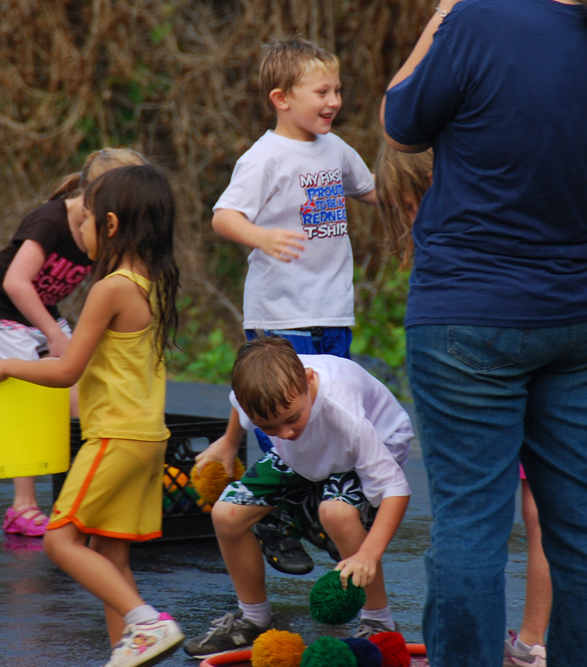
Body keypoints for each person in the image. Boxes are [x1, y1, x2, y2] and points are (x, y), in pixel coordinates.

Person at [380, 0, 587, 667]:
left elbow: (400, 118)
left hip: (471, 318)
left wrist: (445, 7)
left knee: (469, 522)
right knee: (585, 517)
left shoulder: (472, 29)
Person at [0, 163, 184, 667]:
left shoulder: (110, 288)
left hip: (115, 437)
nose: (78, 229)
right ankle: (126, 652)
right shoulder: (151, 281)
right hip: (147, 438)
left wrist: (5, 367)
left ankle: (148, 623)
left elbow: (66, 370)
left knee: (60, 542)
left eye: (85, 220)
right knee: (111, 557)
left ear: (110, 226)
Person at [375, 145, 551, 667]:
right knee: (524, 515)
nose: (413, 218)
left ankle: (514, 641)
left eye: (414, 204)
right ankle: (526, 642)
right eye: (406, 209)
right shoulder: (506, 200)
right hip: (531, 347)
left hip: (487, 372)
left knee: (475, 518)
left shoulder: (459, 236)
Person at [211, 36, 378, 574]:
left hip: (332, 311)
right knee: (283, 419)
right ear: (282, 98)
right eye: (321, 91)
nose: (333, 101)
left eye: (337, 90)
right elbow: (224, 216)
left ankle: (318, 509)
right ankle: (280, 515)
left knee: (327, 416)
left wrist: (425, 189)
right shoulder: (265, 157)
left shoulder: (335, 149)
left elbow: (374, 191)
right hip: (281, 316)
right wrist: (261, 237)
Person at [182, 336, 414, 659]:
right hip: (308, 454)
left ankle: (378, 621)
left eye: (292, 419)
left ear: (308, 380)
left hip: (373, 445)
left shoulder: (343, 413)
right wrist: (229, 441)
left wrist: (369, 555)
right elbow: (240, 404)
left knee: (335, 512)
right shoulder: (264, 396)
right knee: (226, 513)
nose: (286, 432)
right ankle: (254, 618)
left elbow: (395, 489)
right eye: (270, 427)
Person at [0, 147, 146, 536]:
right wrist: (53, 334)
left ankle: (82, 494)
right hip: (1, 311)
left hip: (42, 312)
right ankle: (22, 506)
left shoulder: (103, 227)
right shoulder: (50, 221)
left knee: (78, 396)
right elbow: (15, 282)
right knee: (30, 397)